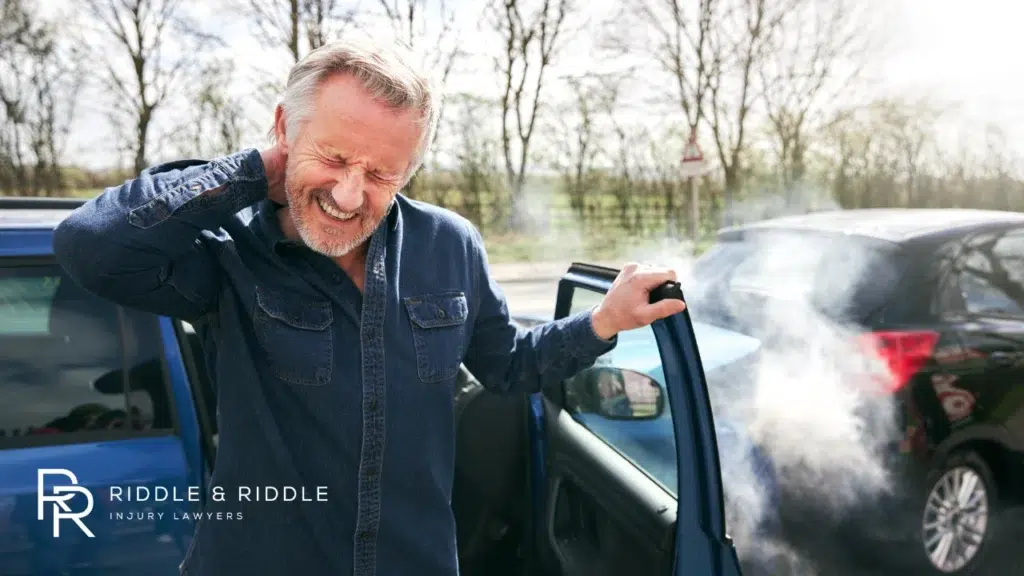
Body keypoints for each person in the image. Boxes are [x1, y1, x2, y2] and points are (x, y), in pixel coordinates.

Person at [52, 36, 686, 576]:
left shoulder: (449, 243)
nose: (350, 194)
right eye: (331, 157)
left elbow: (507, 367)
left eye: (383, 173)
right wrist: (254, 172)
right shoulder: (230, 250)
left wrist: (607, 320)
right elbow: (92, 247)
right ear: (282, 128)